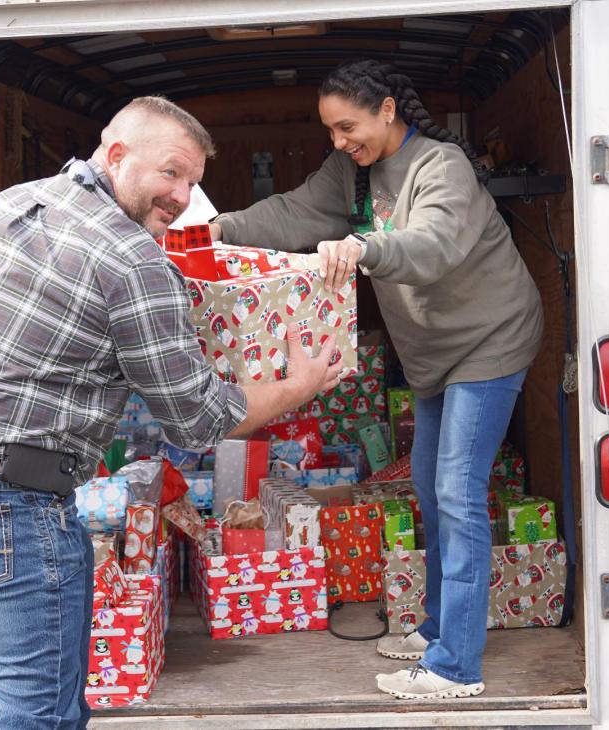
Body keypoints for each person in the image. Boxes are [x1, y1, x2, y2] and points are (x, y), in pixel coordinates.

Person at [0, 96, 342, 729]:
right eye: (171, 173)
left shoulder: (14, 202)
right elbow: (199, 420)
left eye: (193, 182)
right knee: (38, 714)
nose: (182, 196)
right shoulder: (133, 260)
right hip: (5, 493)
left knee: (60, 692)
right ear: (117, 153)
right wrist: (299, 386)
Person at [209, 60, 544, 701]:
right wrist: (224, 226)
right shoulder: (352, 173)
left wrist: (364, 248)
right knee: (429, 488)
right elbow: (297, 211)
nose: (339, 141)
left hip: (490, 339)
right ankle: (440, 626)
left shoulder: (441, 166)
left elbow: (433, 245)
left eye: (347, 127)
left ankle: (456, 667)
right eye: (330, 130)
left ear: (387, 110)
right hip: (432, 354)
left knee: (457, 492)